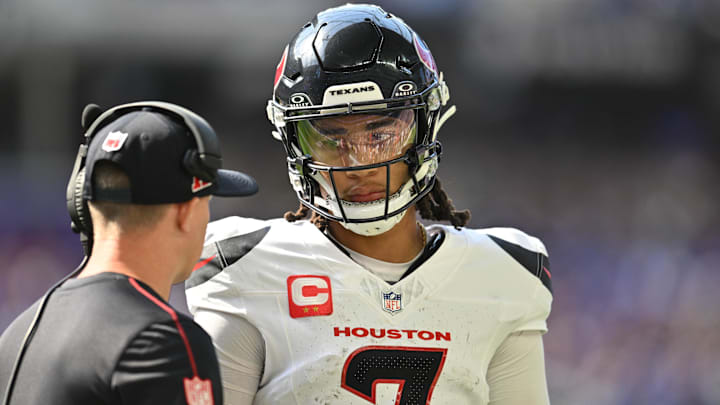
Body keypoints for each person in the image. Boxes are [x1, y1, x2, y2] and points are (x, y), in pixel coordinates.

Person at [186, 4, 553, 405]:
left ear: (424, 127)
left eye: (380, 134)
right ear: (293, 142)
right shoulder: (247, 268)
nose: (356, 163)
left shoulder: (503, 275)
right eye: (329, 138)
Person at [0, 101, 258, 405]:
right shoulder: (164, 341)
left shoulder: (18, 333)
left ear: (82, 205)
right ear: (186, 212)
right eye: (207, 204)